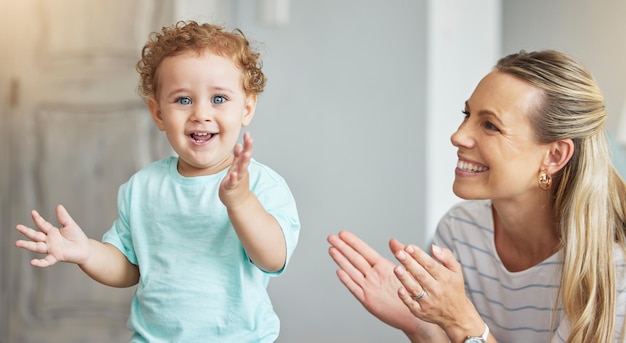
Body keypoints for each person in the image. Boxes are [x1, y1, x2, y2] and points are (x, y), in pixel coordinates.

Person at [15, 20, 300, 343]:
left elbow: (273, 258)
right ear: (158, 114)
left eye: (218, 99)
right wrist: (87, 254)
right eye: (183, 100)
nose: (200, 114)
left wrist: (239, 201)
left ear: (246, 108)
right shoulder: (142, 188)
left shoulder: (261, 184)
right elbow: (128, 269)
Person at [328, 50, 626, 342]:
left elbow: (463, 330)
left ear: (554, 155)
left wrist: (463, 323)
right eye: (467, 114)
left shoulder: (611, 269)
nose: (458, 136)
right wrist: (423, 326)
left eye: (490, 125)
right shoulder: (461, 231)